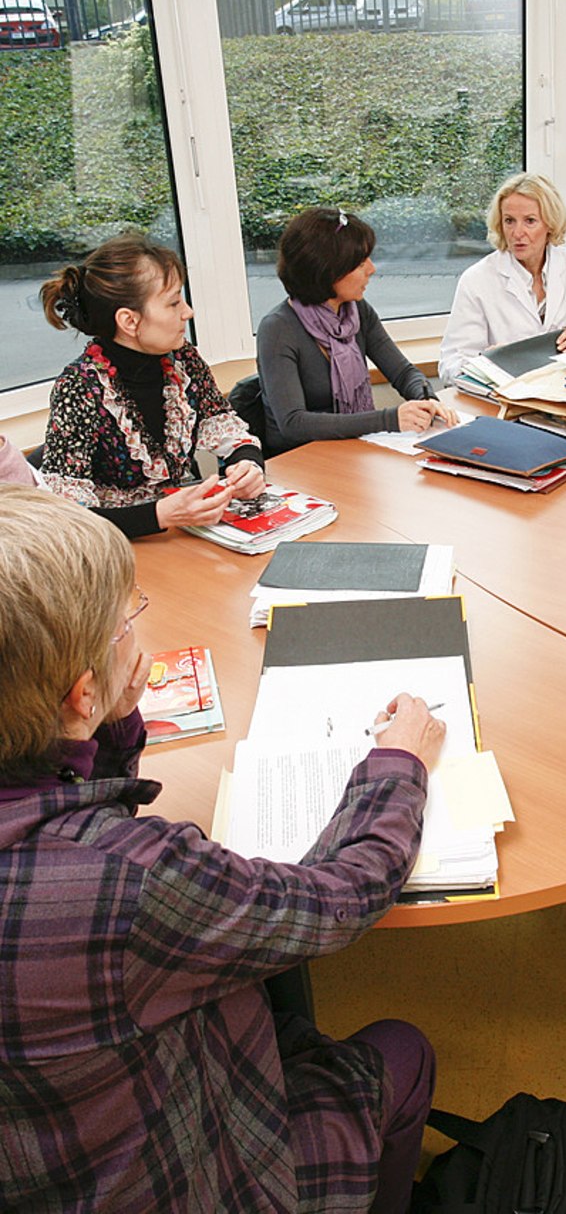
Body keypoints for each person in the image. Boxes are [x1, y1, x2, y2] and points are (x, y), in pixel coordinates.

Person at [0, 484, 441, 1211]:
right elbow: (343, 897)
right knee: (401, 1051)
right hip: (185, 1178)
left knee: (276, 998)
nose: (136, 630)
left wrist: (108, 726)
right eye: (125, 623)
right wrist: (400, 765)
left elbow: (61, 799)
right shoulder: (133, 880)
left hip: (48, 1157)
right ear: (80, 693)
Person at [39, 234, 265, 539]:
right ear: (129, 321)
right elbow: (68, 519)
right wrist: (159, 515)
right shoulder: (79, 387)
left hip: (186, 534)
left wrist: (247, 464)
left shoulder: (183, 358)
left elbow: (222, 424)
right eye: (173, 303)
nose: (188, 312)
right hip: (118, 548)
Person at [256, 207, 456, 456]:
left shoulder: (357, 311)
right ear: (328, 270)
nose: (371, 268)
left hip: (351, 450)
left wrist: (428, 401)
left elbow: (403, 373)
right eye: (361, 263)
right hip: (299, 460)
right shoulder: (277, 329)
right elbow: (293, 424)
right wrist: (390, 419)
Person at [438, 173, 566, 385]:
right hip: (505, 398)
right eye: (509, 221)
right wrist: (486, 364)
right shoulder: (477, 280)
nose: (517, 233)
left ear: (549, 224)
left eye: (530, 221)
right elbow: (450, 363)